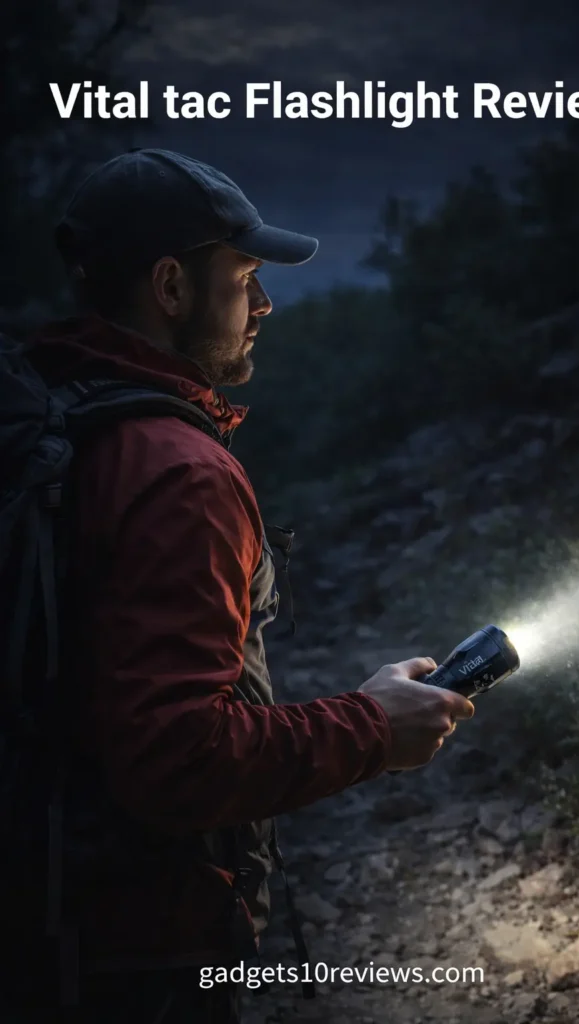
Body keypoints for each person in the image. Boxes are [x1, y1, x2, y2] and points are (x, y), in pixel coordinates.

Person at [4, 149, 475, 1023]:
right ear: (172, 286)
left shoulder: (50, 413)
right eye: (246, 276)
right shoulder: (181, 472)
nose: (263, 305)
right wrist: (374, 727)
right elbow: (177, 759)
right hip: (133, 951)